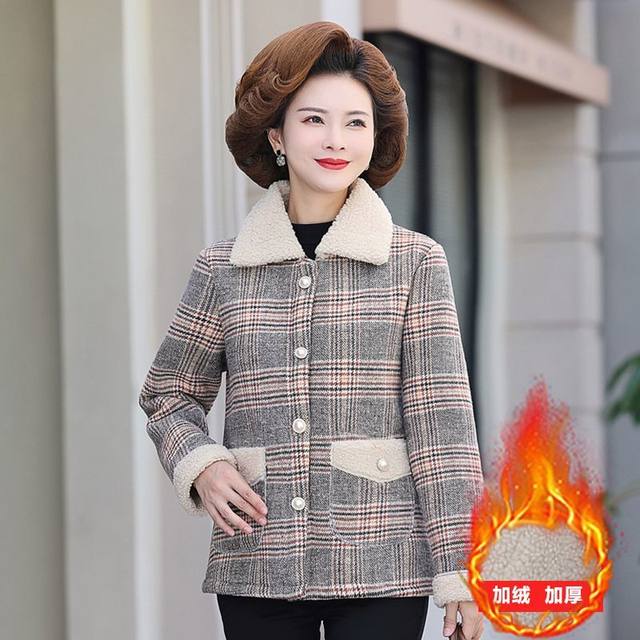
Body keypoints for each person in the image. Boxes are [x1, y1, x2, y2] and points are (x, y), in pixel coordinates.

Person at [138, 20, 485, 640]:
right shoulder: (223, 269)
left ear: (375, 138)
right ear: (276, 134)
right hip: (258, 558)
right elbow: (168, 393)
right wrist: (203, 465)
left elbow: (444, 426)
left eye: (355, 123)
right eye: (314, 119)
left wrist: (461, 570)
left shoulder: (415, 262)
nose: (335, 140)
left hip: (384, 563)